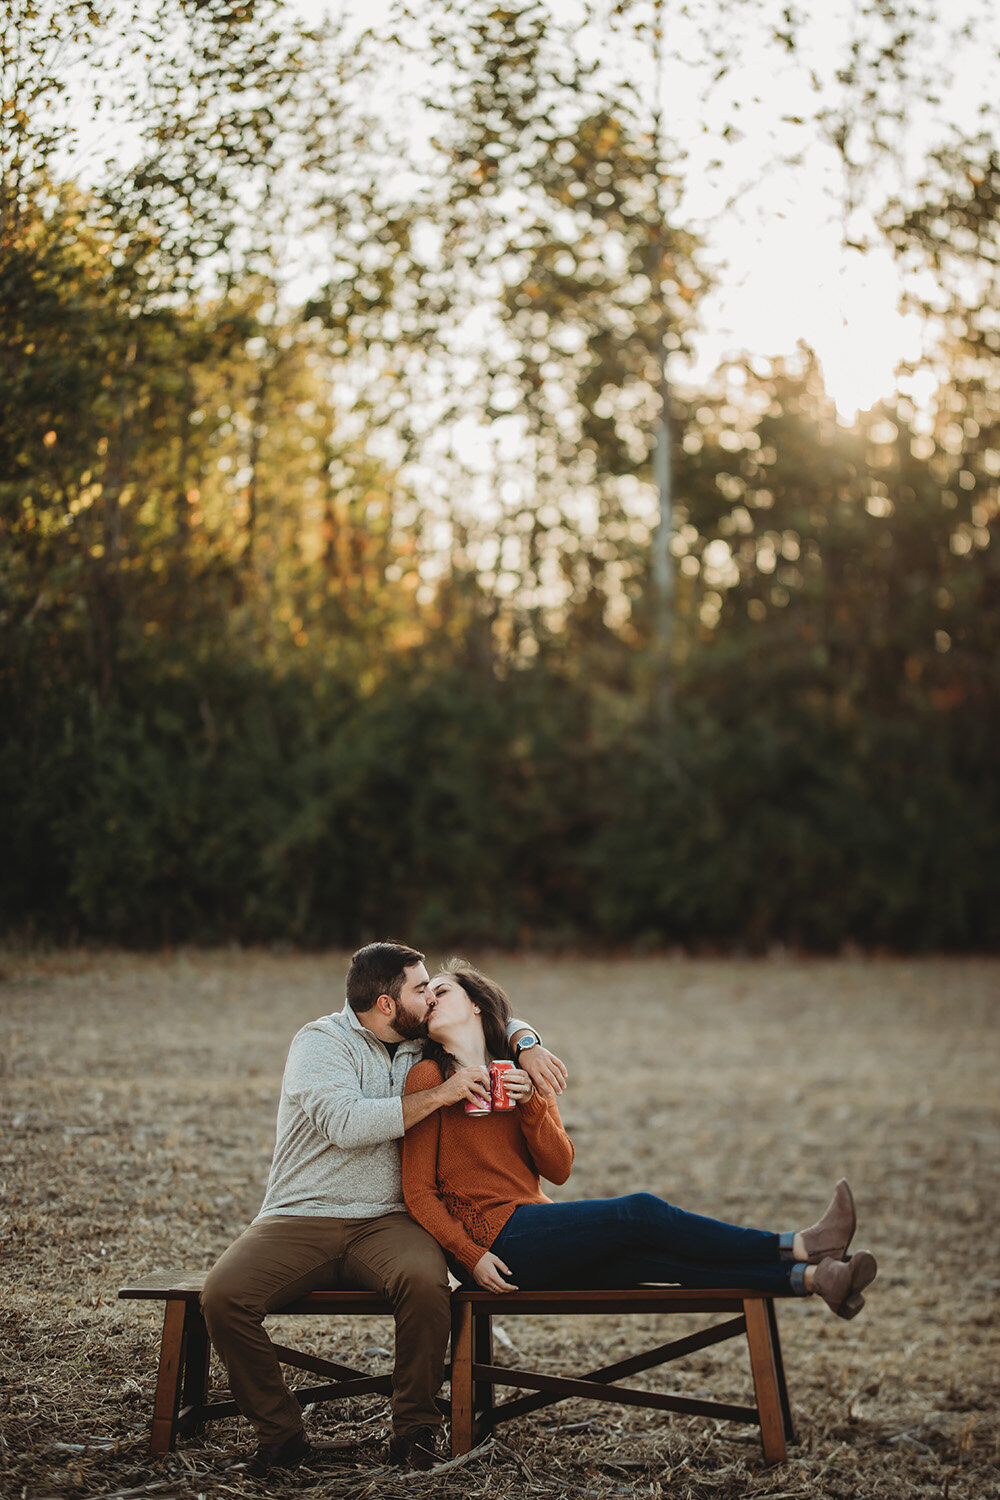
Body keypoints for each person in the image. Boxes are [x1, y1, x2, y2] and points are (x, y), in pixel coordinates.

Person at [200, 941, 567, 1477]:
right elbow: (345, 1124)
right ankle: (282, 1437)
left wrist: (526, 1042)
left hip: (391, 1221)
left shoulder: (423, 1042)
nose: (432, 997)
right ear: (388, 1005)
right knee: (224, 1297)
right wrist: (441, 1097)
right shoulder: (320, 1042)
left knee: (425, 1284)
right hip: (301, 1213)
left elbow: (483, 1009)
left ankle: (414, 1432)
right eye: (422, 989)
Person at [402, 962, 878, 1316]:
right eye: (427, 997)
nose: (431, 1000)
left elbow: (560, 1169)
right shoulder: (429, 1079)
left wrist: (533, 1102)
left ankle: (817, 1278)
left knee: (658, 1258)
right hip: (492, 1247)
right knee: (640, 1211)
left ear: (477, 1003)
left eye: (441, 990)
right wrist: (469, 1256)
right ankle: (799, 1244)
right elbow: (418, 1190)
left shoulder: (520, 1069)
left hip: (535, 1228)